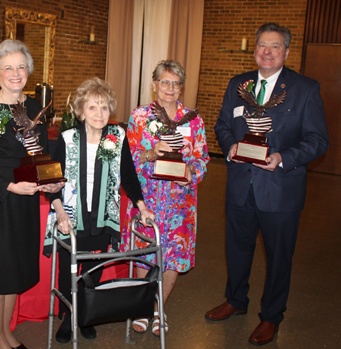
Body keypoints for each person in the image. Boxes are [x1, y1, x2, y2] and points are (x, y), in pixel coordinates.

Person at [206, 23, 329, 346]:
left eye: (275, 46)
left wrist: (284, 157)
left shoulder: (305, 88)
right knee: (237, 249)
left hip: (280, 189)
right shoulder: (238, 84)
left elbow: (318, 140)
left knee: (278, 257)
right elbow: (222, 124)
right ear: (255, 50)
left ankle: (271, 316)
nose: (267, 51)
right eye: (262, 45)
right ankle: (235, 299)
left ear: (286, 52)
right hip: (239, 185)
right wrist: (229, 144)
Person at [0, 39, 63, 349]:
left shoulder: (35, 108)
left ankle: (4, 334)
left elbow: (41, 156)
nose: (15, 72)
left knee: (12, 270)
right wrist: (9, 186)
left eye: (21, 66)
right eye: (8, 67)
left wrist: (50, 183)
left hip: (25, 202)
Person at [44, 77, 155, 343]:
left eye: (104, 107)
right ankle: (68, 317)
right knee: (68, 269)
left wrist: (142, 206)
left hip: (103, 215)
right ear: (81, 110)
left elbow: (128, 176)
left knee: (94, 268)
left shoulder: (117, 137)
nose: (99, 113)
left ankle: (85, 315)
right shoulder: (67, 138)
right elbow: (53, 181)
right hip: (70, 216)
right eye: (92, 107)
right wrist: (59, 212)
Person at [121, 60, 210, 336]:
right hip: (145, 198)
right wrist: (151, 152)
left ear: (181, 87)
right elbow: (128, 160)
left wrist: (189, 175)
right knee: (143, 252)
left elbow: (203, 159)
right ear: (154, 84)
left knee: (173, 255)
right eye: (164, 82)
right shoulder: (139, 117)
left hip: (180, 201)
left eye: (175, 83)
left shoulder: (193, 119)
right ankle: (142, 307)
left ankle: (159, 309)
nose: (169, 88)